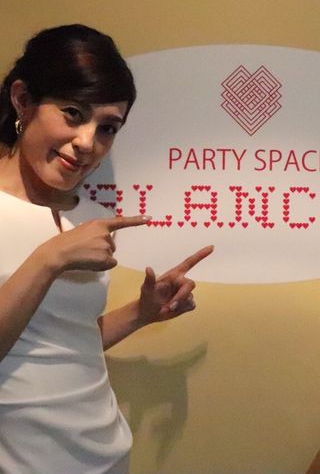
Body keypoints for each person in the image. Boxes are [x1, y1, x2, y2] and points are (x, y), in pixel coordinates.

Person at [0, 24, 213, 473]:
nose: (87, 143)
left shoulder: (91, 217)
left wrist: (141, 313)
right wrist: (50, 258)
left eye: (107, 127)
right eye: (73, 113)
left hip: (106, 451)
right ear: (22, 99)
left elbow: (66, 342)